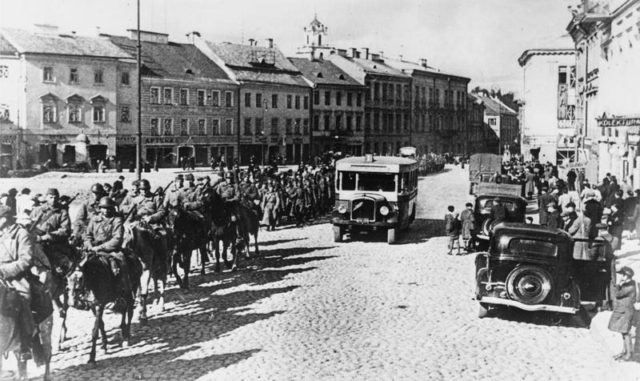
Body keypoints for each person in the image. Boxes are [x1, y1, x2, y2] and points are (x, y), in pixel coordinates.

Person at [0, 205, 37, 360]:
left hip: (16, 278)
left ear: (6, 218)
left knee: (22, 301)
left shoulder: (22, 234)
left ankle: (24, 345)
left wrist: (3, 270)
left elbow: (26, 260)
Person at [83, 196, 130, 293]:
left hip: (111, 250)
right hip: (93, 249)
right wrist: (89, 245)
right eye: (103, 208)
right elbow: (88, 235)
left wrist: (99, 248)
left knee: (121, 265)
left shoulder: (117, 220)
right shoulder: (94, 219)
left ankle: (124, 291)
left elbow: (117, 239)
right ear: (100, 208)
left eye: (108, 208)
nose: (106, 210)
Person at [609, 266, 636, 361]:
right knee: (623, 332)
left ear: (627, 276)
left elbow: (617, 294)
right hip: (623, 310)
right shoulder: (628, 284)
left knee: (625, 333)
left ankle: (628, 354)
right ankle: (624, 352)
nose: (622, 276)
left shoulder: (629, 286)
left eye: (623, 275)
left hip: (626, 312)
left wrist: (619, 285)